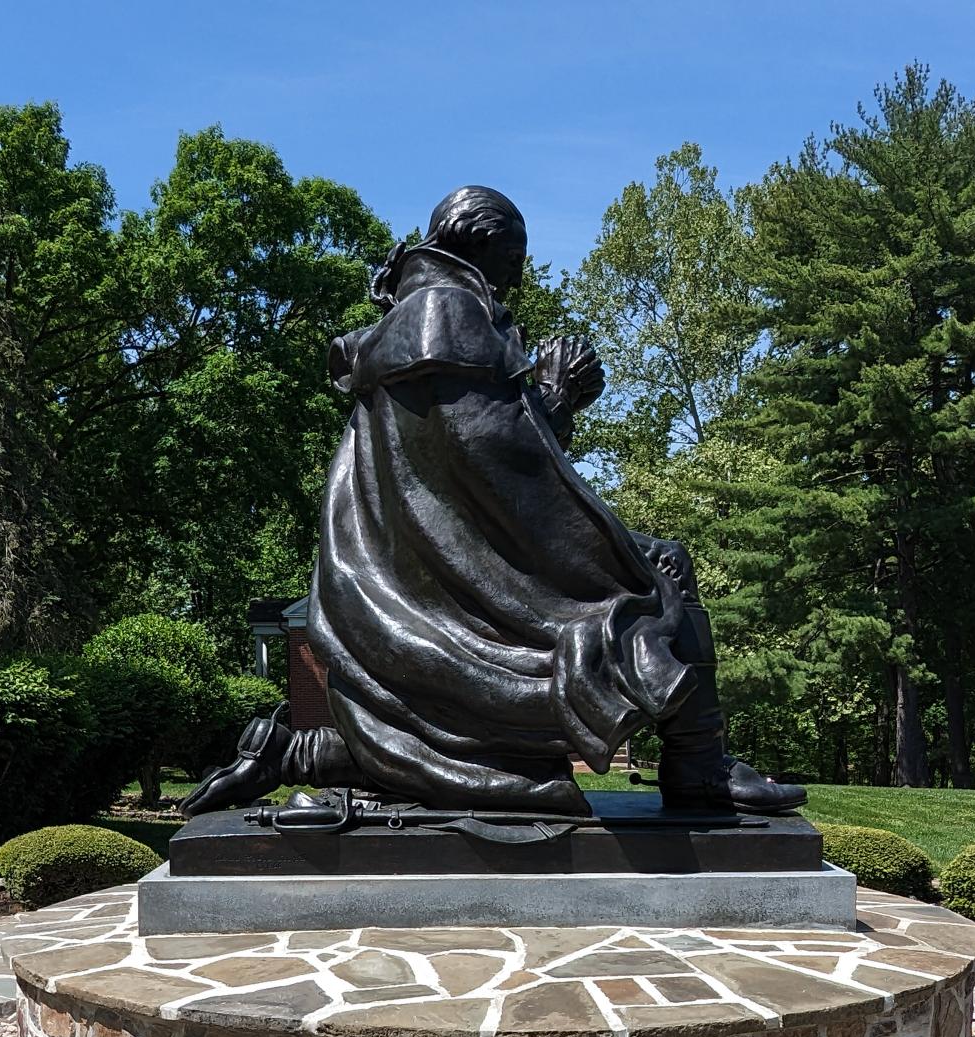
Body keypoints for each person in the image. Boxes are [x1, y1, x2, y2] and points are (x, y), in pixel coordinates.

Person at [183, 186, 805, 818]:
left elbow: (466, 456)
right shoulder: (446, 313)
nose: (519, 275)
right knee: (661, 572)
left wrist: (542, 403)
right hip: (460, 574)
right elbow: (499, 461)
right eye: (514, 256)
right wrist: (557, 395)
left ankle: (297, 752)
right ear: (479, 244)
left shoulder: (415, 320)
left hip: (436, 565)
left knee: (479, 746)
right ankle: (697, 765)